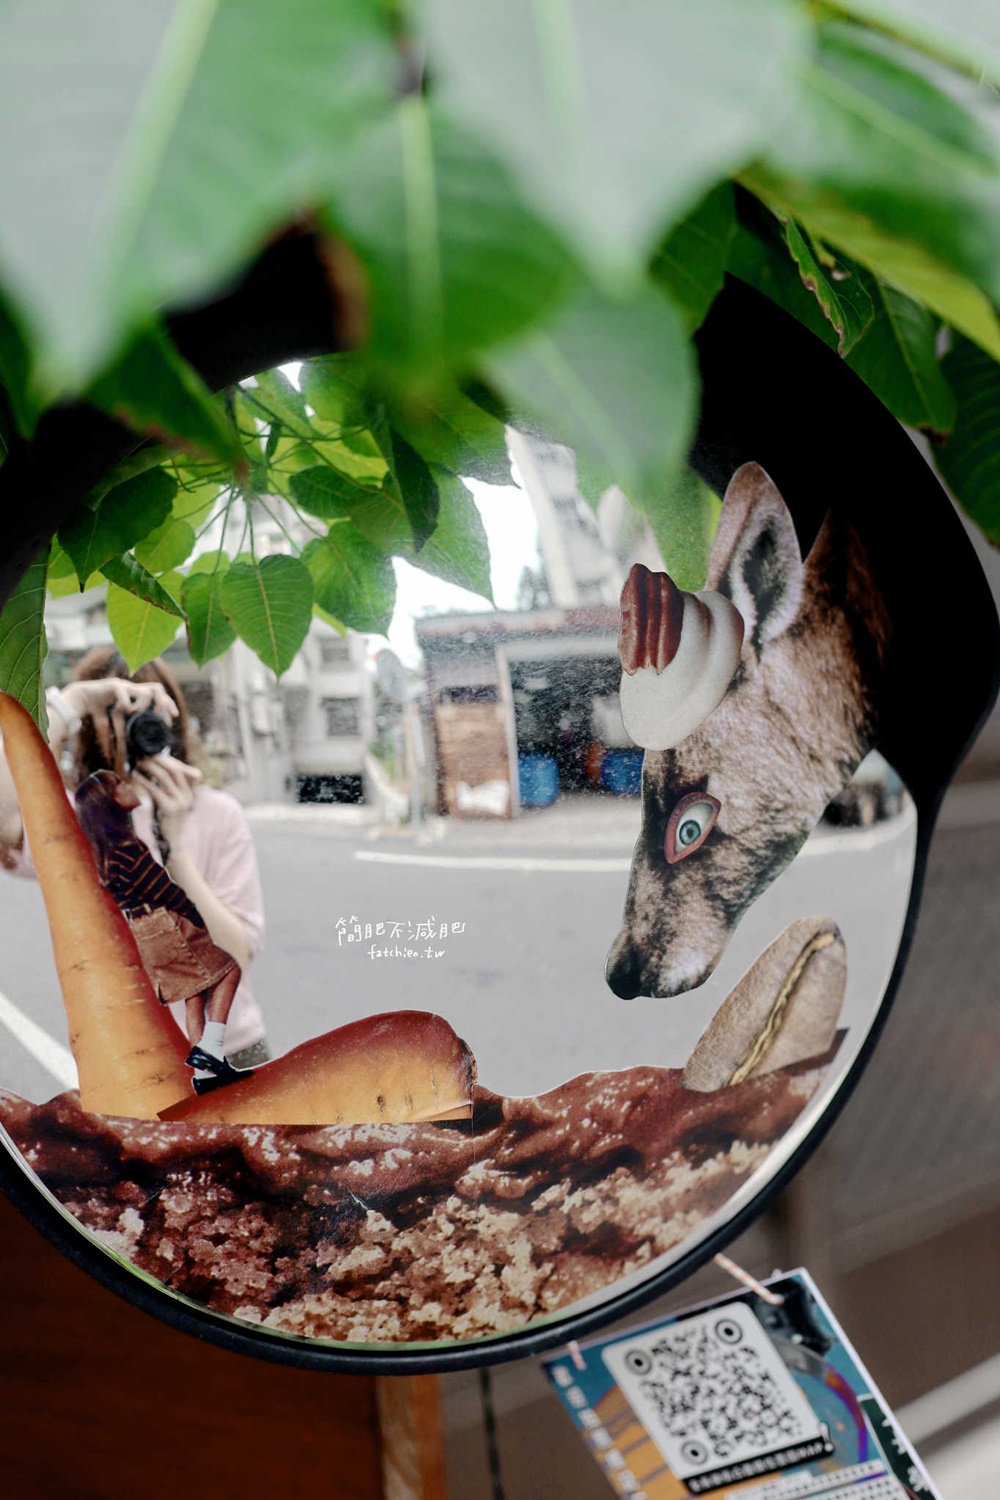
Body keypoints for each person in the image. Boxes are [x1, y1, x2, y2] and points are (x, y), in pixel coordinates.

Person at [0, 646, 270, 1070]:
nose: (135, 729)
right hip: (131, 1060)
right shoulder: (78, 818)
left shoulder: (218, 813)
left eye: (149, 712)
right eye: (120, 715)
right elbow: (4, 807)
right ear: (89, 729)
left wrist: (175, 846)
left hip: (230, 1048)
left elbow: (236, 956)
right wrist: (74, 702)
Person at [75, 770, 251, 1095]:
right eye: (120, 785)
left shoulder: (106, 852)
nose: (128, 785)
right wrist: (197, 916)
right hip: (164, 922)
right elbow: (164, 889)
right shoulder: (127, 847)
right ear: (109, 801)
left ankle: (204, 1074)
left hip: (145, 930)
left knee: (193, 993)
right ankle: (211, 1048)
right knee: (230, 967)